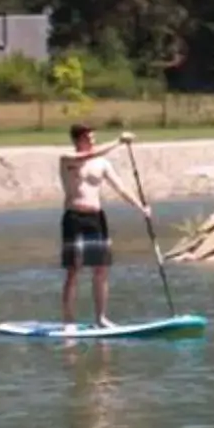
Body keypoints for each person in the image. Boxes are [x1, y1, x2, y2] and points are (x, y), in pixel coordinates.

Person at [57, 123, 151, 330]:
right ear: (77, 140)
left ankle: (101, 318)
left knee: (101, 269)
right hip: (74, 217)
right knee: (74, 269)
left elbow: (121, 188)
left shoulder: (102, 163)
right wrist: (118, 141)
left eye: (93, 138)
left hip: (96, 218)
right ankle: (68, 321)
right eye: (88, 138)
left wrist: (141, 207)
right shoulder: (67, 158)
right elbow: (85, 157)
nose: (92, 141)